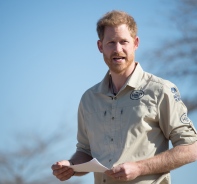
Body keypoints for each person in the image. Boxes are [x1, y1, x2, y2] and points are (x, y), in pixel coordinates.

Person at [51, 10, 197, 184]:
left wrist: (140, 168)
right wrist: (71, 165)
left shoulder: (161, 90)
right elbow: (85, 150)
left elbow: (191, 148)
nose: (117, 49)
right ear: (100, 46)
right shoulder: (89, 99)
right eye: (111, 42)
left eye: (123, 42)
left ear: (135, 43)